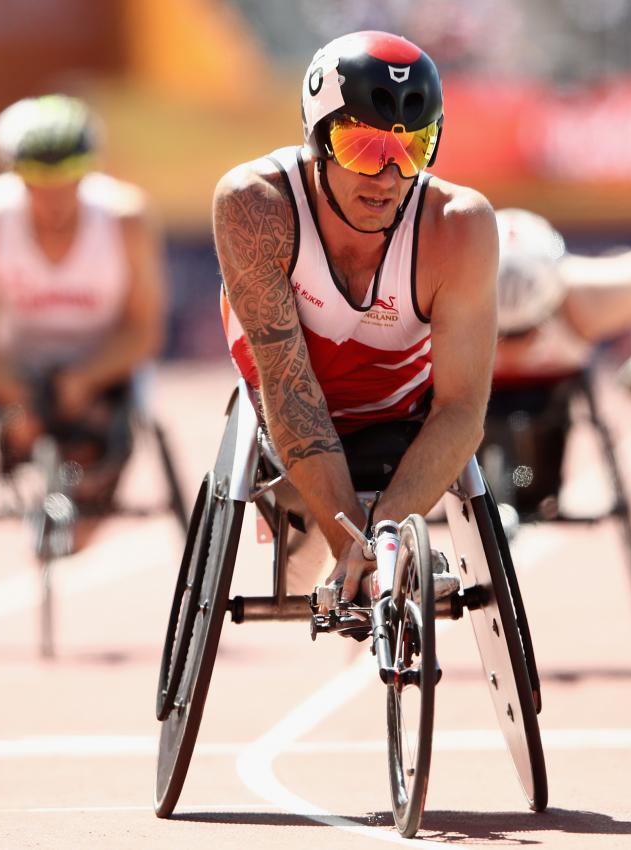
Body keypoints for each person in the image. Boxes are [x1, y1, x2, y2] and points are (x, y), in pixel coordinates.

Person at [214, 31, 499, 608]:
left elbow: (461, 410)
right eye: (366, 148)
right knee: (315, 566)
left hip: (401, 415)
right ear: (318, 140)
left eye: (413, 149)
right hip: (290, 412)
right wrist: (355, 543)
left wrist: (382, 542)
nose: (389, 175)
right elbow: (292, 394)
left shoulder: (460, 226)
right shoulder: (255, 205)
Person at [0, 94, 167, 509]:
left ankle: (87, 496)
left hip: (101, 375)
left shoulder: (127, 222)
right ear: (13, 175)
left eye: (66, 179)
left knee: (91, 475)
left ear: (89, 173)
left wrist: (83, 381)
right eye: (38, 182)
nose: (54, 197)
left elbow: (143, 331)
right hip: (12, 377)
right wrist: (16, 398)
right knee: (16, 431)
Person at [484, 209, 631, 519]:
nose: (515, 351)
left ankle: (521, 489)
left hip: (548, 402)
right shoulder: (438, 302)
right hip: (476, 400)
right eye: (501, 335)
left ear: (553, 304)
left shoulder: (590, 299)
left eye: (526, 332)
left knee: (531, 488)